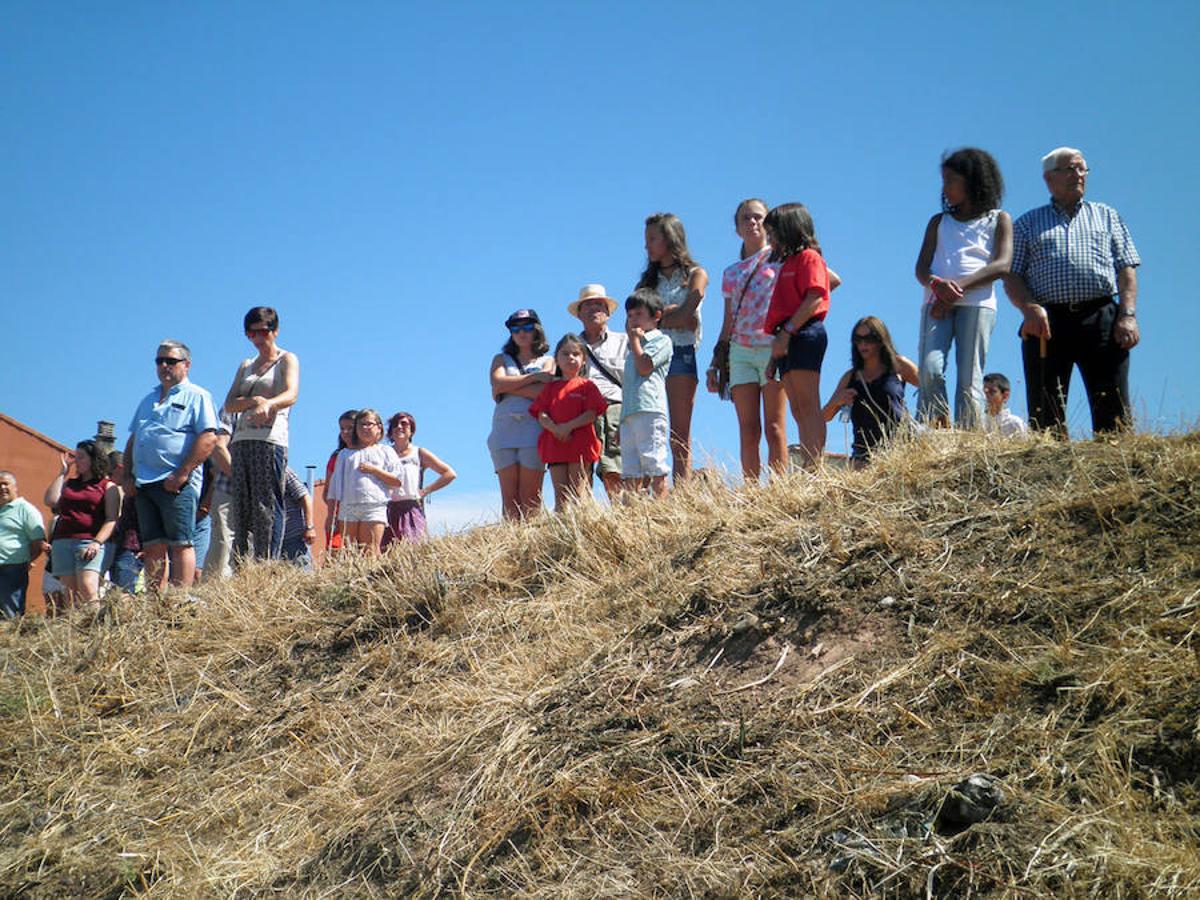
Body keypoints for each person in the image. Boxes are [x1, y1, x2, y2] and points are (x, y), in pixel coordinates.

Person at [1004, 146, 1141, 435]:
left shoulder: (1107, 216)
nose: (1079, 175)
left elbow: (1126, 268)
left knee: (1112, 407)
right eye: (1071, 168)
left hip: (1101, 316)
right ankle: (1051, 473)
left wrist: (1127, 315)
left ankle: (1115, 469)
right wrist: (1029, 308)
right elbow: (1012, 275)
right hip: (1046, 322)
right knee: (1046, 411)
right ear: (1049, 178)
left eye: (1082, 169)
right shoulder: (1027, 223)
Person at [710, 199, 846, 482]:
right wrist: (717, 359)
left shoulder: (786, 254)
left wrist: (794, 312)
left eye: (758, 217)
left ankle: (778, 486)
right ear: (736, 227)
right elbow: (727, 319)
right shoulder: (731, 272)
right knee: (748, 429)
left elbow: (830, 279)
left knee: (775, 426)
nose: (753, 222)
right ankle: (750, 491)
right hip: (740, 350)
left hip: (774, 345)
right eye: (745, 218)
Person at [914, 148, 1013, 429]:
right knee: (931, 370)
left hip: (978, 304)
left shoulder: (998, 220)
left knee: (969, 377)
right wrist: (938, 286)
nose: (944, 189)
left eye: (951, 181)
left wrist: (956, 288)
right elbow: (921, 269)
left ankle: (969, 437)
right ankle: (936, 431)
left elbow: (1002, 265)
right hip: (935, 302)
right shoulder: (938, 222)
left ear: (973, 181)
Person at [124, 339, 220, 593]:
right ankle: (156, 602)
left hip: (175, 483)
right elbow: (134, 438)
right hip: (145, 482)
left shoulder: (198, 396)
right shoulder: (148, 399)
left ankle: (178, 600)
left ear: (186, 365)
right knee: (153, 545)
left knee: (180, 543)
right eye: (159, 361)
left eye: (171, 360)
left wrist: (182, 473)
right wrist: (127, 476)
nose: (164, 365)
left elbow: (209, 437)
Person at [223, 306, 300, 561]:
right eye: (251, 333)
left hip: (269, 441)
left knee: (265, 505)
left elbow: (291, 393)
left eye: (262, 332)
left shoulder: (286, 359)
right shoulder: (246, 365)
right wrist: (252, 400)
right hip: (242, 440)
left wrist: (269, 403)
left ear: (274, 331)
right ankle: (243, 565)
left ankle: (266, 562)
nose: (257, 338)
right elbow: (230, 404)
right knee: (242, 506)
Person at [636, 213, 708, 483]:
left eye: (653, 239)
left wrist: (657, 317)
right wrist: (673, 315)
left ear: (670, 238)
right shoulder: (646, 283)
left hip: (680, 354)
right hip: (649, 357)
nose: (647, 246)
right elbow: (637, 322)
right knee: (647, 425)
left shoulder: (695, 274)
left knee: (679, 429)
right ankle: (651, 488)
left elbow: (689, 317)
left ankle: (682, 487)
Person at [763, 203, 832, 468]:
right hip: (787, 335)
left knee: (807, 402)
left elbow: (814, 297)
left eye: (774, 232)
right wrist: (777, 348)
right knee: (797, 408)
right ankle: (809, 462)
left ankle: (815, 465)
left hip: (804, 333)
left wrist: (789, 331)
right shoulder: (787, 263)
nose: (770, 238)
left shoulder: (809, 258)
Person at [823, 317, 919, 467]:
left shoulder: (898, 365)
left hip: (900, 452)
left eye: (869, 338)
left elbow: (928, 387)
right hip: (863, 457)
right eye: (858, 339)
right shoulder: (850, 377)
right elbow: (825, 416)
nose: (863, 344)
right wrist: (838, 401)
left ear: (881, 340)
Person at [487, 308, 554, 520]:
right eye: (516, 328)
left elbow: (544, 392)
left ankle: (532, 544)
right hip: (503, 431)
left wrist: (508, 388)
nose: (521, 332)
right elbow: (497, 382)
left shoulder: (548, 361)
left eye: (527, 327)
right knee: (509, 498)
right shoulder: (501, 358)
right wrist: (532, 379)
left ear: (537, 330)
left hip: (533, 430)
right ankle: (512, 541)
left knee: (531, 496)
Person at [529, 334, 609, 510]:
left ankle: (580, 530)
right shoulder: (550, 388)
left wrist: (567, 427)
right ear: (556, 358)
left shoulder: (587, 386)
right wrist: (555, 429)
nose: (570, 358)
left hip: (580, 443)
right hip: (555, 444)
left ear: (584, 360)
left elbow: (591, 413)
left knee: (577, 493)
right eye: (565, 354)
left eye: (575, 354)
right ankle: (561, 531)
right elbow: (541, 413)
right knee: (561, 496)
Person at [44, 441, 120, 610]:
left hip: (90, 542)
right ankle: (77, 632)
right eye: (76, 457)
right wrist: (63, 472)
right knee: (70, 595)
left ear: (94, 459)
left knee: (88, 587)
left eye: (81, 457)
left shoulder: (108, 486)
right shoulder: (70, 484)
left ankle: (95, 629)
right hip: (63, 542)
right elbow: (50, 500)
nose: (77, 461)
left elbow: (111, 519)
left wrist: (97, 542)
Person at [569, 284, 628, 499]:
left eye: (599, 305)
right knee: (581, 470)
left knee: (614, 468)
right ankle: (586, 521)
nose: (594, 309)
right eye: (588, 306)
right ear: (579, 313)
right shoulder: (571, 347)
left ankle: (623, 519)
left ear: (608, 312)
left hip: (614, 408)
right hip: (580, 413)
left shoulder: (625, 341)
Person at [620, 288, 673, 498]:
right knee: (630, 467)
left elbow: (645, 367)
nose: (633, 320)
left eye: (639, 314)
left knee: (654, 462)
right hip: (630, 411)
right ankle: (633, 514)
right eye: (630, 315)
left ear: (656, 315)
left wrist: (634, 341)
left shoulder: (661, 341)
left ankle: (662, 506)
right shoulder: (633, 346)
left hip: (650, 409)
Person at [326, 408, 401, 554]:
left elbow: (397, 480)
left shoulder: (386, 451)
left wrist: (374, 470)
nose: (365, 428)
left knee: (370, 550)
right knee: (350, 552)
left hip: (373, 506)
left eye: (369, 424)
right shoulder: (344, 455)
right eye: (361, 424)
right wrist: (330, 517)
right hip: (348, 507)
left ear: (379, 427)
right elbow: (334, 489)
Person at [379, 411, 456, 548]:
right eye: (395, 424)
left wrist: (426, 490)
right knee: (387, 550)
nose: (399, 427)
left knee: (413, 548)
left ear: (412, 430)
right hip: (388, 509)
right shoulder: (384, 454)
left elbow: (449, 473)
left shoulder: (419, 453)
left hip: (411, 508)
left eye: (404, 424)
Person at [0, 471, 47, 618]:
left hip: (12, 569)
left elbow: (38, 542)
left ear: (15, 487)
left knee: (10, 614)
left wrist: (25, 561)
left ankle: (9, 641)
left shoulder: (26, 509)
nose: (2, 488)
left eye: (5, 484)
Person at [201, 411, 236, 581]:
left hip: (253, 494)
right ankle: (213, 592)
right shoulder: (232, 409)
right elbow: (218, 447)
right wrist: (240, 481)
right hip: (228, 488)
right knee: (222, 544)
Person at [105, 451, 143, 594]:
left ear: (120, 468)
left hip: (132, 548)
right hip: (124, 546)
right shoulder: (129, 491)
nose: (108, 478)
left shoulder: (137, 489)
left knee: (123, 591)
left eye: (110, 473)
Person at [322, 409, 357, 551]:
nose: (345, 432)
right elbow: (327, 491)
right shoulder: (336, 457)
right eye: (342, 429)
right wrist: (334, 513)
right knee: (336, 552)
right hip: (339, 515)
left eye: (350, 428)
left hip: (362, 514)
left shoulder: (371, 454)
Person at [279, 467, 316, 570]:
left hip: (293, 539)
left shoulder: (284, 471)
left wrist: (309, 527)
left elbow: (305, 497)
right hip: (270, 543)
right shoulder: (253, 474)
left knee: (303, 579)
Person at [982, 373, 1028, 437]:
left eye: (992, 392)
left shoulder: (1014, 424)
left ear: (1005, 396)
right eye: (984, 392)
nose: (986, 396)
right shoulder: (980, 425)